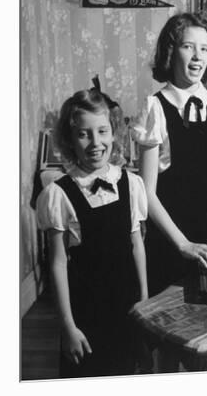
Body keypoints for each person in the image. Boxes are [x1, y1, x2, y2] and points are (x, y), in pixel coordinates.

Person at [36, 88, 148, 378]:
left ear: (114, 134)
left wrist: (145, 299)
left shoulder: (131, 184)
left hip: (126, 308)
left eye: (102, 131)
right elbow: (58, 264)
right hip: (86, 314)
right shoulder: (59, 194)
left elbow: (136, 245)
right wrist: (68, 327)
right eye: (84, 134)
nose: (95, 142)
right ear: (70, 140)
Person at [133, 12, 207, 296]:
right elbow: (147, 191)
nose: (198, 57)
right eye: (188, 46)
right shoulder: (155, 108)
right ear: (171, 51)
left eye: (204, 48)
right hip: (171, 239)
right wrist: (183, 244)